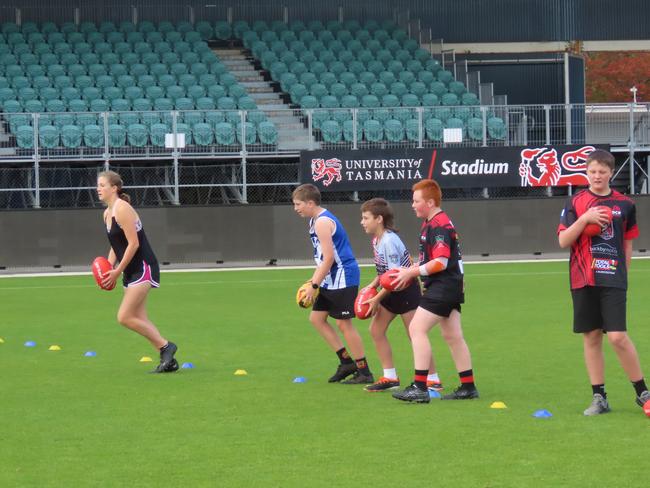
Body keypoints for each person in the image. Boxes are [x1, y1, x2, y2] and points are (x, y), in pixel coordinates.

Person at [557, 149, 649, 415]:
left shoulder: (625, 204)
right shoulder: (575, 202)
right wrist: (585, 219)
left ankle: (643, 392)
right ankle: (599, 397)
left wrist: (624, 273)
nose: (597, 176)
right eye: (592, 171)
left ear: (611, 173)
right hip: (583, 278)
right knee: (592, 336)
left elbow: (627, 244)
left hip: (613, 277)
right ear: (587, 172)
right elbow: (563, 241)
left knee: (618, 337)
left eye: (602, 172)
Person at [390, 179, 479, 403]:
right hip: (449, 285)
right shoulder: (434, 222)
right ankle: (468, 387)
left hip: (443, 286)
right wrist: (411, 270)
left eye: (416, 201)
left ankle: (420, 387)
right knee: (453, 336)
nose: (413, 205)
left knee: (416, 329)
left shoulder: (438, 224)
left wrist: (411, 273)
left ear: (429, 202)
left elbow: (440, 261)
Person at [97, 171, 178, 373]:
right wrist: (108, 269)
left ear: (114, 188)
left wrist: (117, 271)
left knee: (124, 316)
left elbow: (133, 244)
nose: (98, 189)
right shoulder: (107, 213)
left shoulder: (122, 209)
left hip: (143, 267)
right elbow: (116, 246)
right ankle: (168, 360)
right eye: (97, 185)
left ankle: (167, 346)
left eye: (102, 185)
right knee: (139, 318)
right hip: (130, 270)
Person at [292, 184, 374, 384]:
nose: (296, 208)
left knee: (344, 323)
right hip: (330, 276)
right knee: (317, 319)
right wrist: (315, 280)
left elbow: (329, 258)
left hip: (343, 275)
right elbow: (323, 259)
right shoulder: (314, 221)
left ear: (310, 203)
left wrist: (314, 286)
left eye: (298, 204)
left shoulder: (322, 222)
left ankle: (364, 371)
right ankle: (346, 362)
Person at [359, 198, 443, 393]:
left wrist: (377, 298)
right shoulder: (377, 239)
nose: (362, 222)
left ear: (379, 219)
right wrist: (371, 287)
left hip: (405, 290)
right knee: (376, 330)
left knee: (415, 334)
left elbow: (396, 277)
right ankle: (390, 377)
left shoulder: (389, 241)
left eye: (365, 218)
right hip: (392, 290)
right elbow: (384, 273)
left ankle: (433, 379)